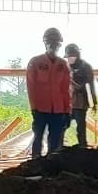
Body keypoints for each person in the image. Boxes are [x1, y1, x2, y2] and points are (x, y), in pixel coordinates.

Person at [25, 28, 71, 157]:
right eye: (50, 42)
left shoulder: (63, 65)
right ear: (45, 43)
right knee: (38, 138)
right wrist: (34, 108)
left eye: (56, 43)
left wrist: (67, 111)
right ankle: (35, 162)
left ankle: (52, 166)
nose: (53, 45)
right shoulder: (35, 62)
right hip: (40, 109)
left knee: (55, 142)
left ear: (60, 45)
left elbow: (66, 90)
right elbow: (31, 87)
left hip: (58, 109)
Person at [64, 43, 97, 147]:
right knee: (62, 126)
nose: (70, 59)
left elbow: (91, 85)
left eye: (72, 56)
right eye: (68, 57)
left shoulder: (86, 67)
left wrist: (93, 102)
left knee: (81, 128)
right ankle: (58, 149)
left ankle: (82, 148)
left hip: (80, 103)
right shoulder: (65, 67)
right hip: (67, 103)